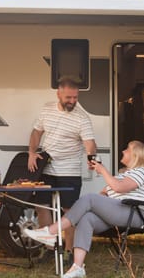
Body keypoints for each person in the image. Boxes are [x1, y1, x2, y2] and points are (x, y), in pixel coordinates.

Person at [24, 140, 144, 278]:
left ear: (136, 155)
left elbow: (119, 188)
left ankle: (51, 231)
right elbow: (105, 192)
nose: (123, 151)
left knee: (90, 198)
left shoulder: (141, 171)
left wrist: (103, 170)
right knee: (87, 218)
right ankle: (77, 267)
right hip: (119, 211)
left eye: (127, 149)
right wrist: (99, 202)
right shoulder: (124, 174)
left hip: (132, 214)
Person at [28, 76, 97, 264]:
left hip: (70, 171)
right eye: (69, 98)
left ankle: (68, 252)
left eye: (75, 98)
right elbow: (36, 132)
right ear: (58, 94)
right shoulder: (47, 109)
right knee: (42, 207)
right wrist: (31, 152)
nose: (73, 101)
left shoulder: (82, 118)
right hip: (47, 168)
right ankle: (50, 249)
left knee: (69, 211)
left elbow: (89, 143)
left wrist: (91, 158)